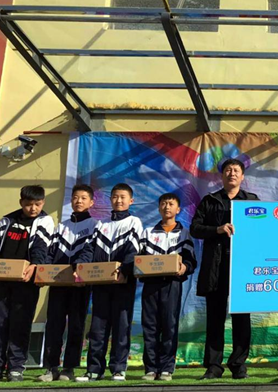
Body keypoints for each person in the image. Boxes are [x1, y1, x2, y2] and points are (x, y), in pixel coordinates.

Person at [191, 158, 259, 380]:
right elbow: (195, 228)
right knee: (215, 317)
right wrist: (217, 229)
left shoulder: (251, 201)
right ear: (222, 176)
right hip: (216, 265)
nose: (232, 173)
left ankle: (238, 365)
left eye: (236, 170)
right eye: (228, 170)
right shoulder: (210, 200)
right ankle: (214, 366)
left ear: (242, 176)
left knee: (242, 317)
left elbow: (263, 230)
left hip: (242, 267)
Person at [75, 183, 143, 382]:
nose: (118, 200)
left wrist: (125, 271)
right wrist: (80, 267)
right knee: (97, 328)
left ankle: (118, 369)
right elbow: (89, 249)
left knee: (121, 327)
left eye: (122, 197)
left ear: (131, 201)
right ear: (110, 199)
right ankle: (94, 369)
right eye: (115, 197)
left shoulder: (134, 222)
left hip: (123, 283)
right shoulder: (101, 224)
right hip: (101, 283)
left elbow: (134, 250)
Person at [38, 184, 98, 382]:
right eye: (75, 197)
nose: (78, 201)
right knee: (54, 325)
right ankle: (51, 368)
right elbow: (50, 253)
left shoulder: (95, 225)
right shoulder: (61, 226)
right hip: (58, 283)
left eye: (83, 198)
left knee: (76, 325)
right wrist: (45, 271)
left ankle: (69, 368)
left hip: (80, 283)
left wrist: (78, 268)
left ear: (91, 202)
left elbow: (90, 251)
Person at [139, 193, 197, 382]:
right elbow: (139, 259)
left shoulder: (184, 233)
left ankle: (166, 369)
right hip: (150, 284)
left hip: (172, 284)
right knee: (150, 326)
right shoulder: (148, 232)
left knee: (169, 326)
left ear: (178, 209)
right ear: (158, 208)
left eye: (171, 204)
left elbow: (191, 260)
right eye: (163, 203)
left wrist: (184, 267)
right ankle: (150, 368)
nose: (166, 207)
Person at [0, 185, 54, 382]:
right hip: (3, 282)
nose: (33, 208)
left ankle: (15, 368)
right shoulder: (7, 221)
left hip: (26, 282)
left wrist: (35, 265)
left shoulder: (44, 221)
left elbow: (42, 246)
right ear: (21, 202)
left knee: (20, 324)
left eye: (37, 204)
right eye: (29, 204)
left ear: (43, 203)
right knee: (1, 323)